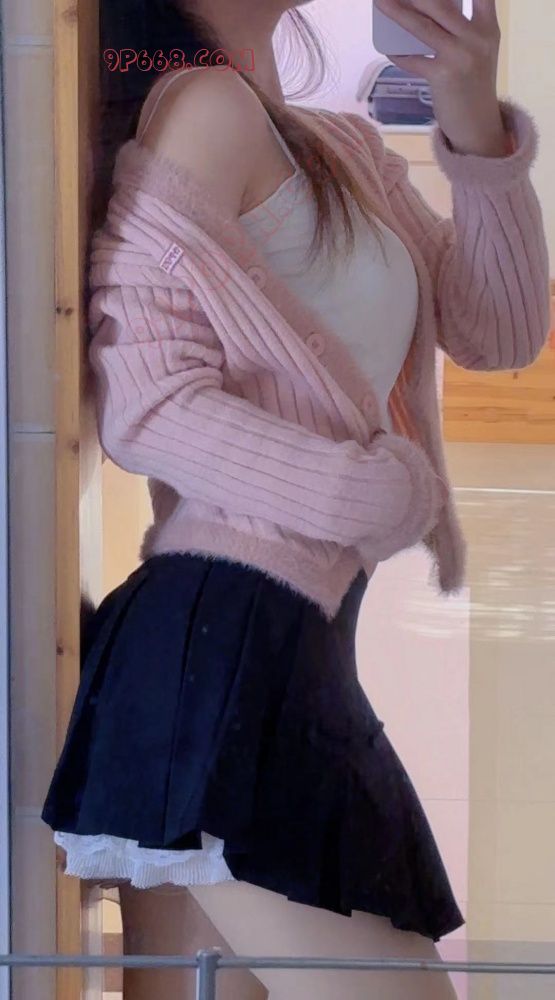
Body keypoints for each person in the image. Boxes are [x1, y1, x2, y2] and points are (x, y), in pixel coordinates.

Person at [42, 1, 551, 998]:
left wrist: (472, 119)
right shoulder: (205, 110)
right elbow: (147, 402)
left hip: (263, 652)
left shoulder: (336, 145)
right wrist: (371, 490)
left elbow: (499, 330)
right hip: (220, 649)